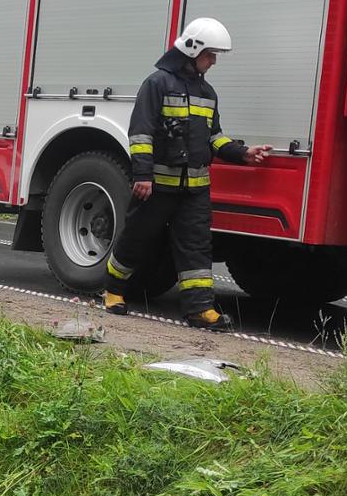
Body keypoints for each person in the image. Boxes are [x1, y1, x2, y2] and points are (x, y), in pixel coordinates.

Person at [101, 18, 273, 331]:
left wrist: (242, 153)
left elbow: (213, 137)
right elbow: (141, 133)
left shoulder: (208, 92)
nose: (214, 61)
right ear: (192, 50)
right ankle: (113, 291)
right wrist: (143, 175)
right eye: (210, 54)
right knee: (137, 240)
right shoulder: (157, 84)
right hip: (157, 187)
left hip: (195, 190)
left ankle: (200, 309)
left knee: (196, 247)